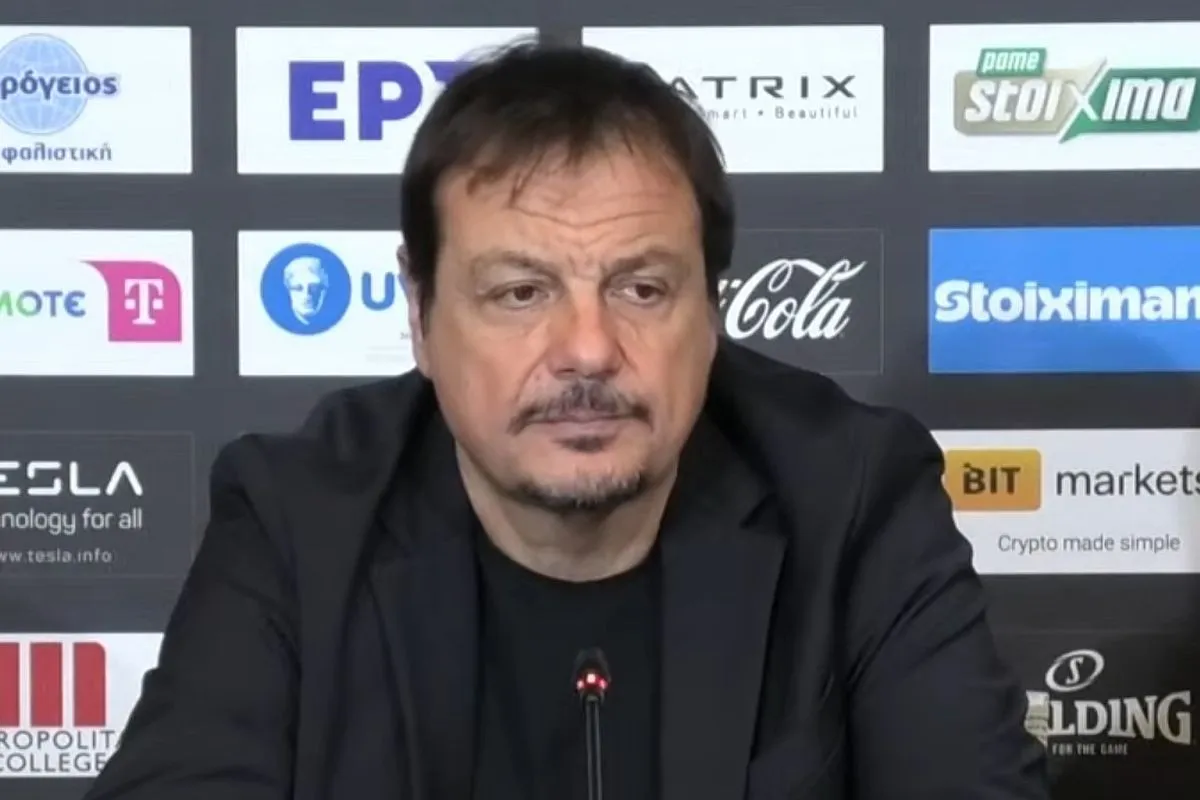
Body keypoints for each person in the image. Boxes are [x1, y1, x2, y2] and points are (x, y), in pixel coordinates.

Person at [83, 39, 1050, 800]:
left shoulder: (855, 498)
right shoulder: (298, 518)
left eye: (641, 288)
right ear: (419, 315)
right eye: (520, 292)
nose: (587, 350)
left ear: (711, 313)